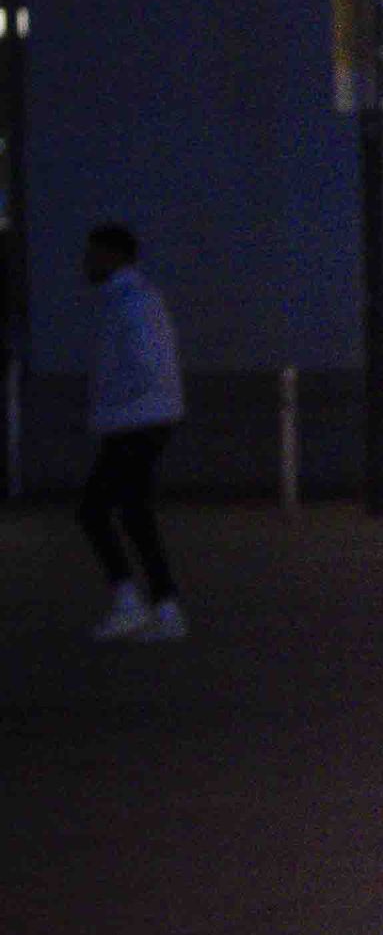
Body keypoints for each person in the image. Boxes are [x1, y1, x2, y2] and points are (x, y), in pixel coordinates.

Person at [77, 222, 188, 642]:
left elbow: (141, 366)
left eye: (92, 253)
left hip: (135, 421)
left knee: (96, 510)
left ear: (112, 255)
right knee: (131, 512)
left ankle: (143, 604)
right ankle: (159, 605)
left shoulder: (127, 302)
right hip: (143, 420)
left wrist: (108, 399)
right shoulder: (134, 298)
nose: (86, 262)